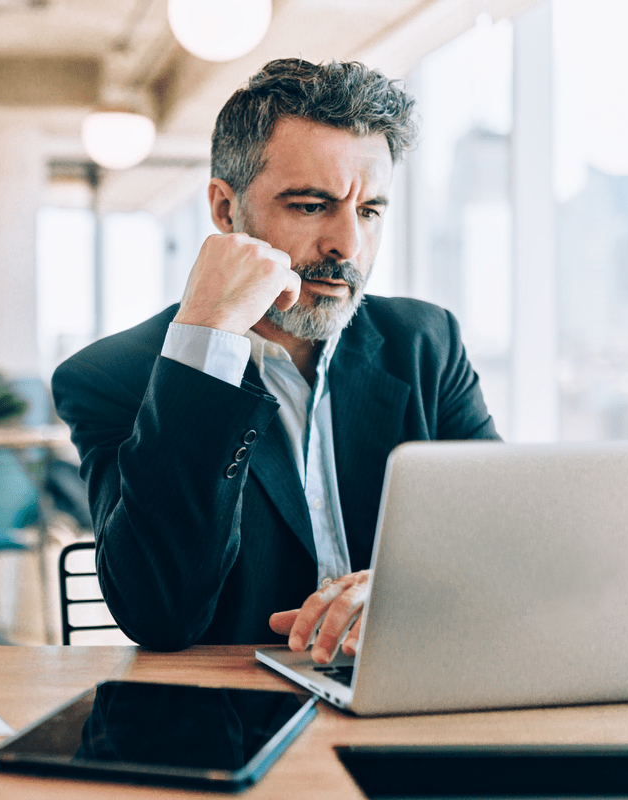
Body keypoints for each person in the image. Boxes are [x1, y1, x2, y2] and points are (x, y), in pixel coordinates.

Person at [52, 58, 500, 662]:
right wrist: (205, 340)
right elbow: (160, 613)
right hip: (234, 721)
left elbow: (502, 537)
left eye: (369, 211)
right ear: (224, 209)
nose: (349, 245)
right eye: (312, 206)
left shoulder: (425, 343)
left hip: (408, 693)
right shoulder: (111, 377)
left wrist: (400, 593)